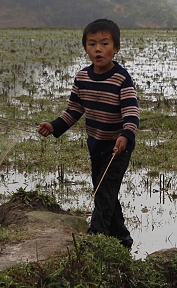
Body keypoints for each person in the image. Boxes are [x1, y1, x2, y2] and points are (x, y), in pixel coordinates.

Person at [37, 18, 139, 250]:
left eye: (104, 44)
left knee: (104, 192)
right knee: (104, 191)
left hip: (117, 148)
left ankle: (95, 236)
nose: (98, 49)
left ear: (116, 49)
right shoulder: (82, 77)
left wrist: (126, 135)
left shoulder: (121, 78)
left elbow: (132, 113)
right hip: (96, 145)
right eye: (92, 44)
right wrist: (54, 126)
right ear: (86, 48)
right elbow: (74, 110)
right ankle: (122, 238)